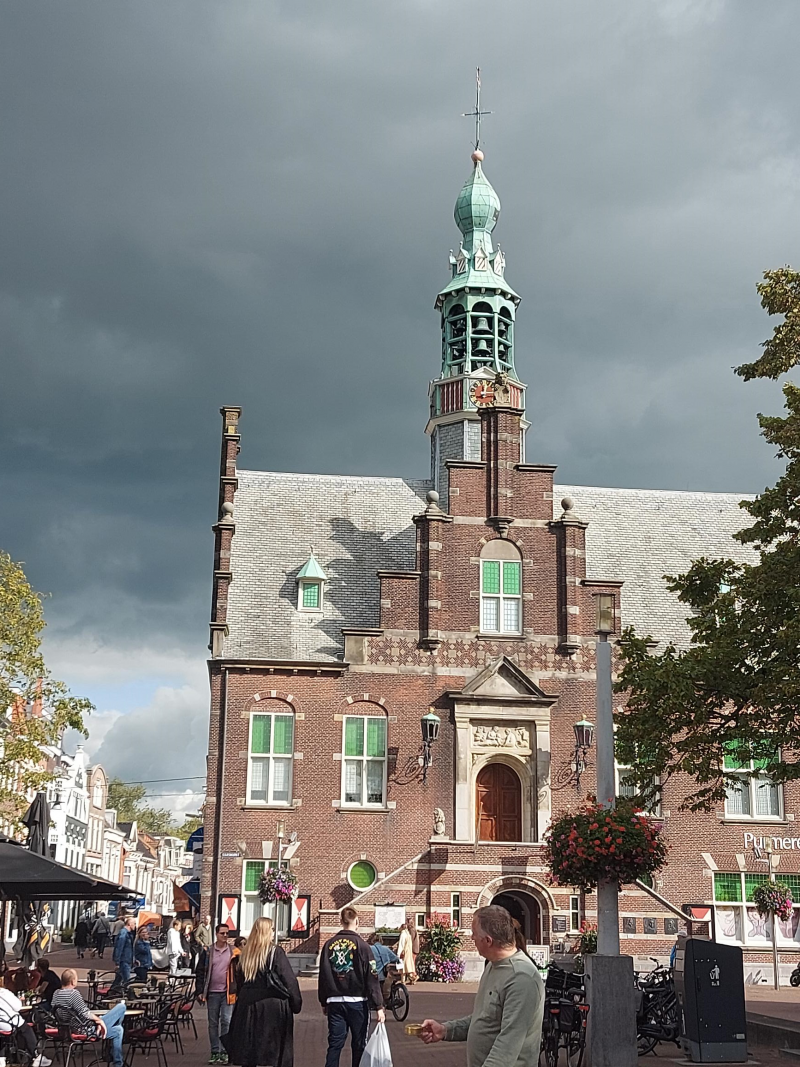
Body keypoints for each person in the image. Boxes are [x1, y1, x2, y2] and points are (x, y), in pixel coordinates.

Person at [420, 906, 544, 1067]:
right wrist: (446, 1030)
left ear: (488, 940)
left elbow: (508, 1045)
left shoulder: (521, 978)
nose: (472, 938)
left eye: (474, 933)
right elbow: (484, 1018)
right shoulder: (493, 966)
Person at [223, 917, 302, 1067]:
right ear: (267, 932)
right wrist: (296, 1003)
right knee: (274, 1049)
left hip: (247, 1005)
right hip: (272, 1004)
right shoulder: (275, 952)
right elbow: (289, 980)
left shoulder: (245, 954)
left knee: (249, 1048)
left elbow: (239, 981)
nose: (273, 932)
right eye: (272, 929)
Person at [318, 906, 383, 1067]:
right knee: (359, 1044)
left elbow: (323, 975)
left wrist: (323, 1001)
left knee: (335, 1045)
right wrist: (379, 1005)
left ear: (341, 921)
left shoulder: (329, 945)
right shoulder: (363, 946)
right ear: (357, 922)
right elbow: (372, 976)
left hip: (335, 1002)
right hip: (357, 1002)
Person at [53, 969, 126, 1067]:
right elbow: (85, 1013)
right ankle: (116, 1061)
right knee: (121, 1007)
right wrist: (99, 1021)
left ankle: (117, 1062)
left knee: (118, 1030)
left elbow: (54, 1010)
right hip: (85, 1029)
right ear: (72, 981)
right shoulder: (73, 994)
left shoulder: (56, 994)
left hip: (68, 1029)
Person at [197, 923, 235, 1064]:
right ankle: (214, 1051)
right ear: (216, 934)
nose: (225, 936)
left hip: (227, 993)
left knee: (226, 1021)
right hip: (212, 992)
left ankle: (225, 1051)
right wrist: (200, 990)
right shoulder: (208, 951)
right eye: (222, 933)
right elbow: (200, 971)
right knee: (213, 1023)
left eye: (227, 933)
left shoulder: (233, 951)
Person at [0, 980, 50, 1066]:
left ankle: (2, 1057)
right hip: (8, 1023)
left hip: (2, 1024)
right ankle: (36, 1056)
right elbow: (18, 1006)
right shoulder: (3, 993)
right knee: (26, 1028)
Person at [369, 934, 400, 1005]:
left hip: (373, 975)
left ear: (372, 940)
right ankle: (387, 1001)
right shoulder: (386, 949)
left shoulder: (370, 949)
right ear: (381, 941)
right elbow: (396, 959)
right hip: (384, 975)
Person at [111, 916, 136, 990]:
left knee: (119, 979)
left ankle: (111, 992)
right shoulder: (124, 933)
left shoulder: (127, 933)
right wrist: (117, 961)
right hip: (124, 960)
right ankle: (125, 995)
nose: (135, 925)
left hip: (126, 959)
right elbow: (119, 947)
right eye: (134, 923)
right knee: (126, 980)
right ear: (129, 924)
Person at [396, 917, 418, 984]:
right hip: (408, 951)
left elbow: (401, 944)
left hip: (404, 952)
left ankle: (404, 981)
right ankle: (413, 978)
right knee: (408, 966)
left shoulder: (403, 934)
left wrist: (398, 953)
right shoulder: (407, 933)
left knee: (403, 967)